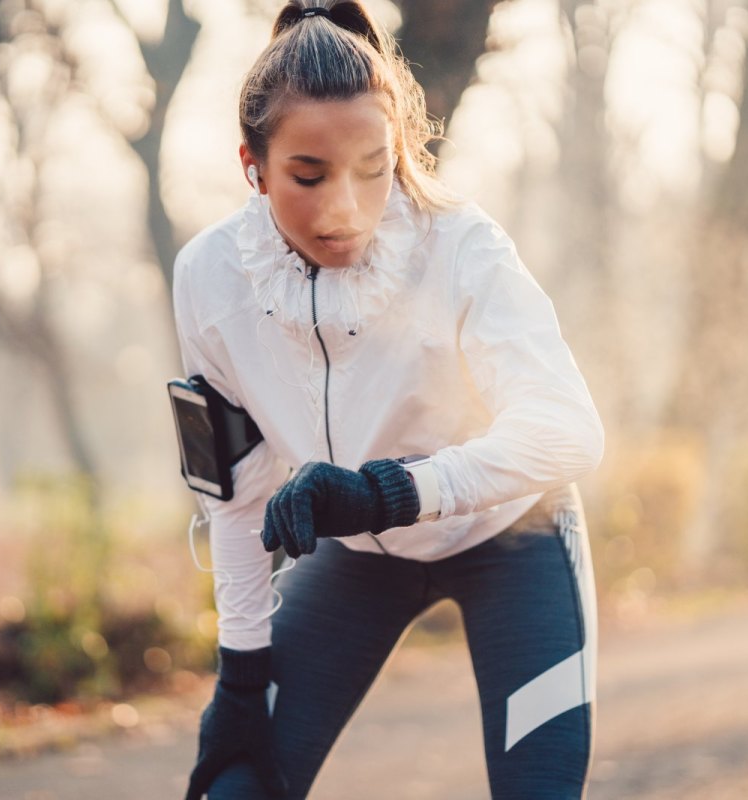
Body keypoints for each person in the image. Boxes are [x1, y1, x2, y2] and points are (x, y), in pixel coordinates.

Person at [173, 2, 604, 797]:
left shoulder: (461, 247)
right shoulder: (210, 280)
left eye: (374, 168)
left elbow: (570, 431)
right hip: (359, 563)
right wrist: (240, 671)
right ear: (253, 165)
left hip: (515, 539)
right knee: (235, 786)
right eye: (308, 175)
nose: (344, 207)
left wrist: (388, 489)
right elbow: (233, 495)